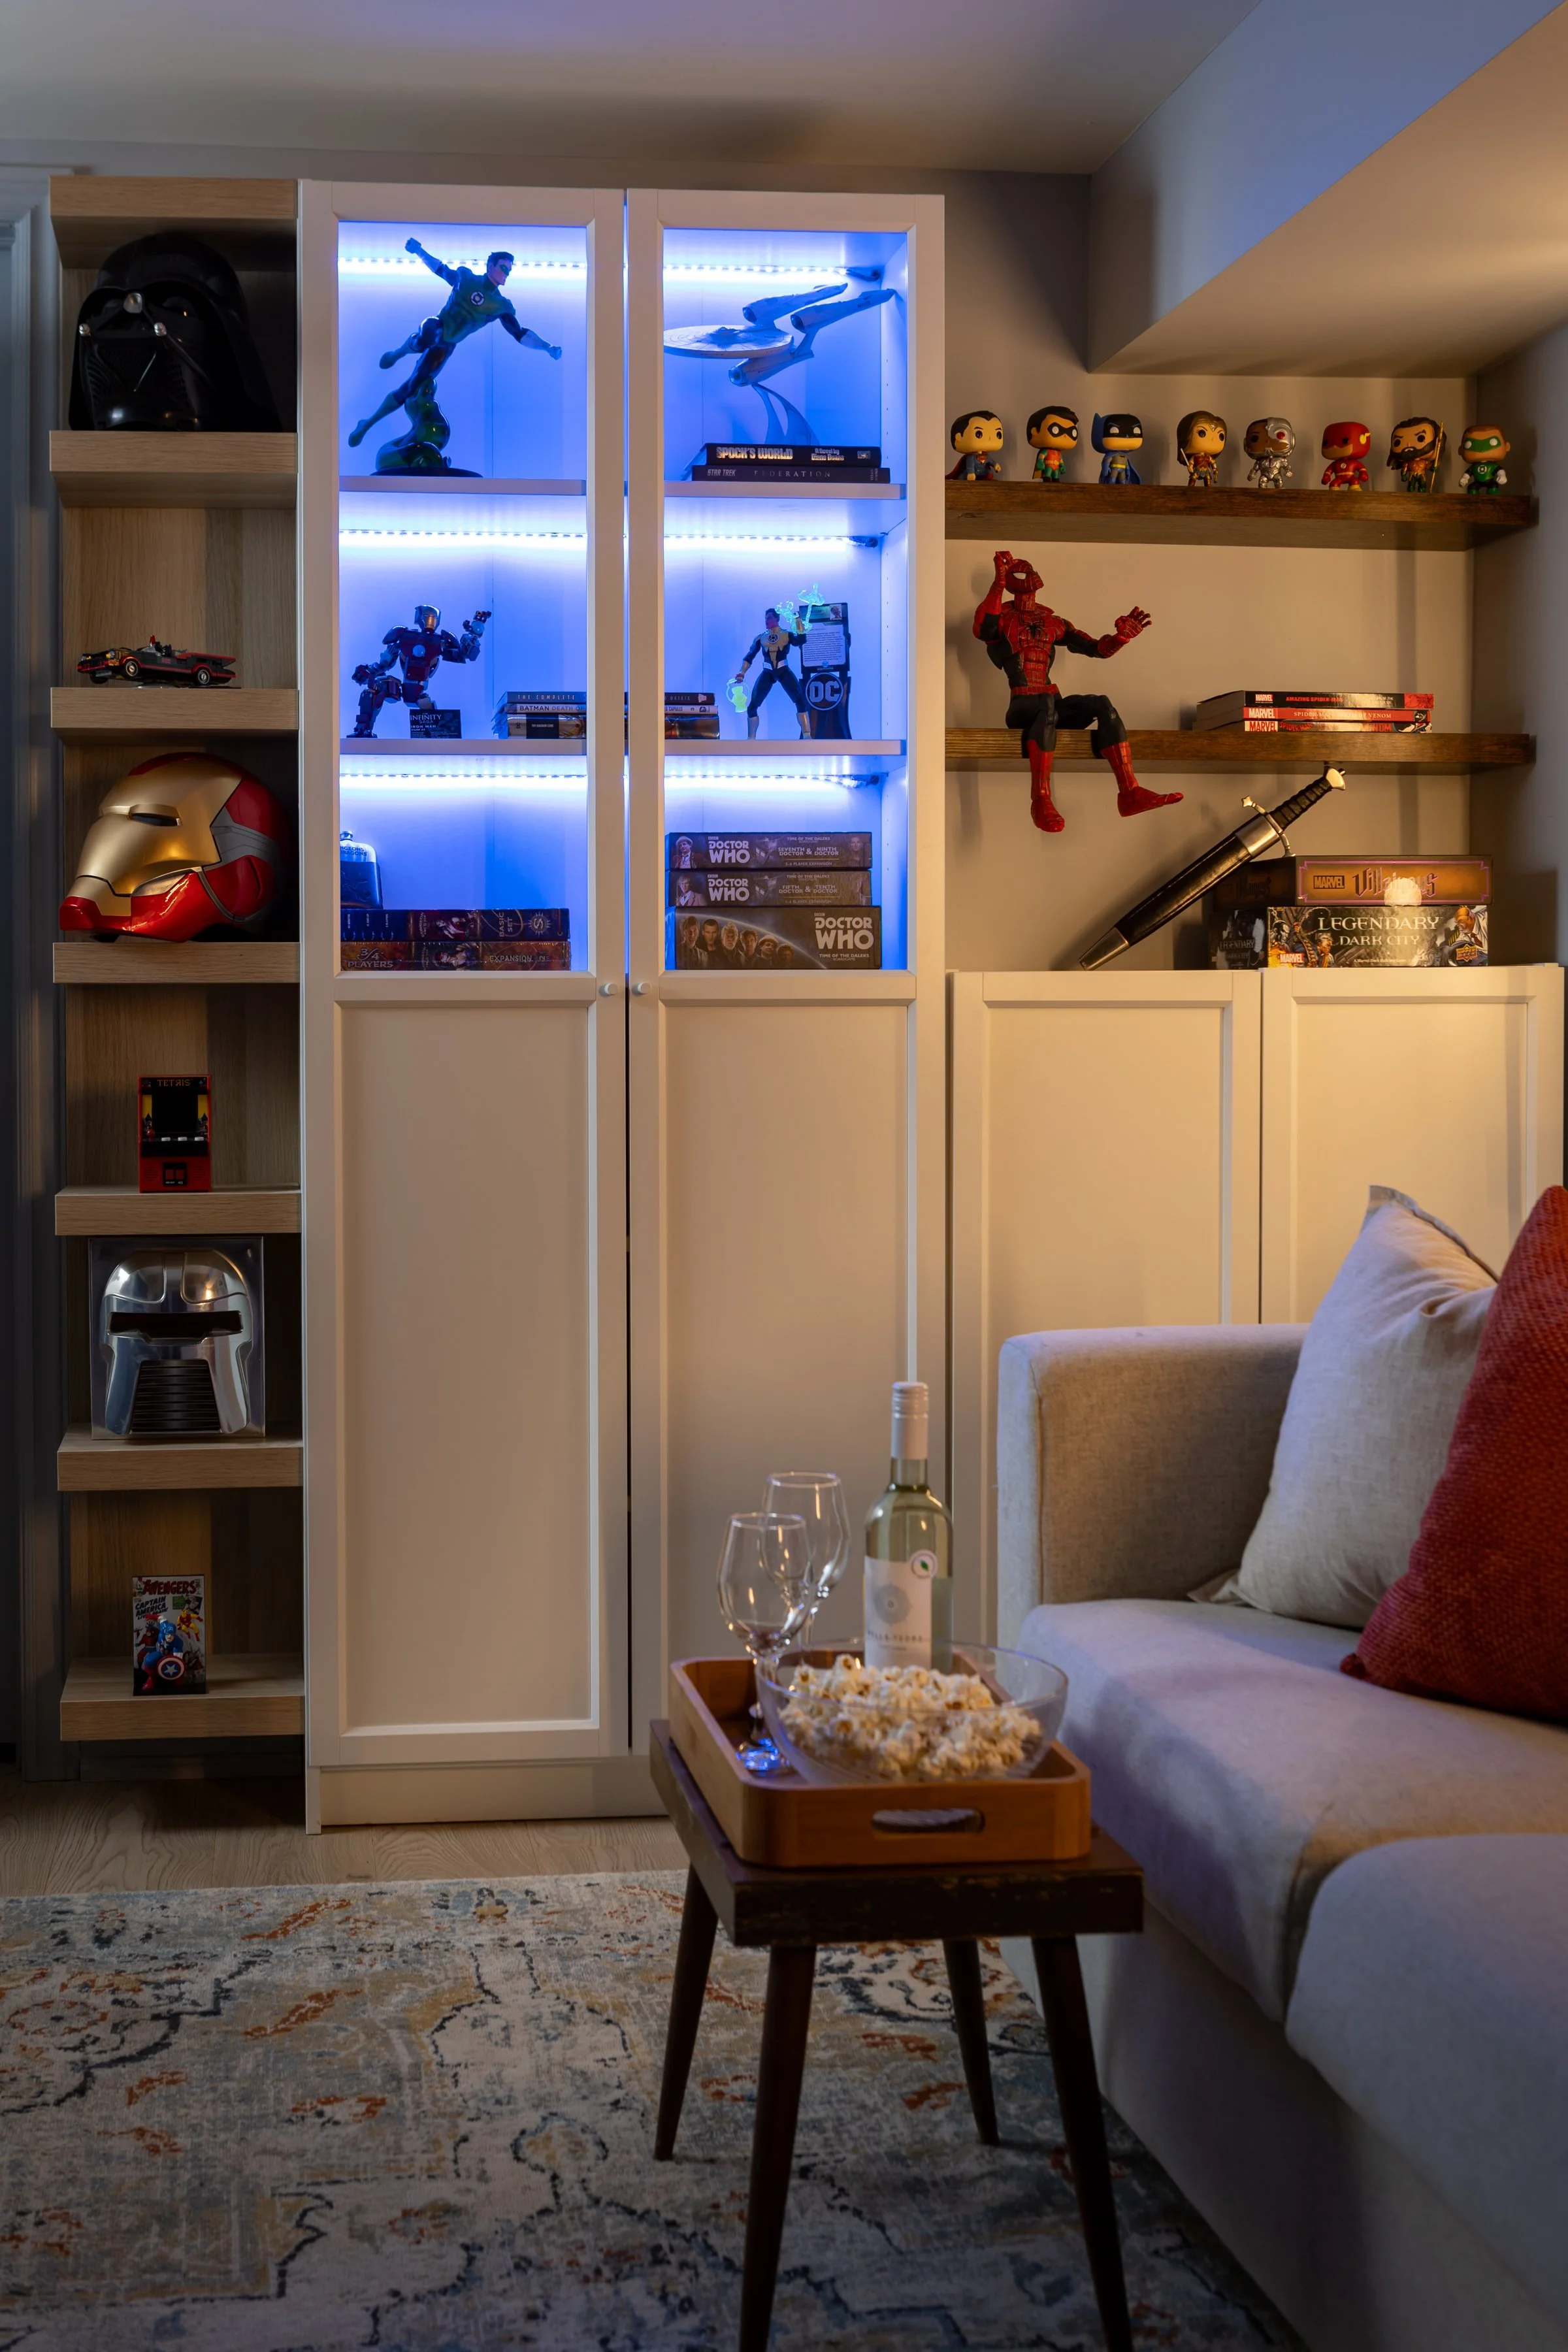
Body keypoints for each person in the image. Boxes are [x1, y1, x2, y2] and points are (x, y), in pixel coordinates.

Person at [973, 549, 1179, 834]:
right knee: (1047, 704)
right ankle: (1040, 799)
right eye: (1015, 572)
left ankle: (1129, 792)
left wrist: (1120, 638)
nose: (1024, 573)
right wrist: (997, 581)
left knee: (1102, 704)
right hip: (1021, 705)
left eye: (1027, 570)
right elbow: (984, 628)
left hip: (1050, 706)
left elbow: (1096, 649)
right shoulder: (1002, 619)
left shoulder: (1054, 623)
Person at [348, 242, 562, 473]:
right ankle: (398, 353)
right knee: (429, 333)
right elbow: (440, 269)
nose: (506, 274)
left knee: (411, 387)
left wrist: (547, 347)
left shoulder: (501, 305)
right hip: (437, 325)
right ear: (490, 266)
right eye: (503, 268)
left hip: (447, 346)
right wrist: (419, 251)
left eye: (510, 270)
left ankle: (366, 425)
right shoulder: (466, 278)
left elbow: (519, 334)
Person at [732, 607, 810, 740]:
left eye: (769, 618)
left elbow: (801, 641)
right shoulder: (761, 638)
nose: (767, 621)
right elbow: (750, 656)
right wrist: (742, 673)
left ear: (777, 619)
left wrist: (798, 620)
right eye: (765, 619)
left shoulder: (787, 635)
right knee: (752, 707)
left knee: (800, 702)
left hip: (783, 670)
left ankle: (807, 735)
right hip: (768, 672)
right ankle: (751, 739)